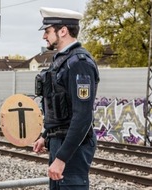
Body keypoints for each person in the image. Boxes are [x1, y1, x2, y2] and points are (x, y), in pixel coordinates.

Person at [33, 7, 100, 190]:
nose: (44, 36)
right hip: (60, 141)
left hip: (73, 147)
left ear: (62, 31)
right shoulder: (61, 61)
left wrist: (62, 158)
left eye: (47, 31)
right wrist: (46, 136)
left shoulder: (79, 63)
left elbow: (82, 116)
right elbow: (62, 108)